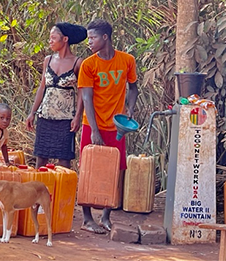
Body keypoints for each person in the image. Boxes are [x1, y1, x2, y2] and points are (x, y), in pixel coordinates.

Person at [77, 19, 139, 234]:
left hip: (116, 125)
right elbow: (86, 98)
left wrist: (130, 109)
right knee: (88, 168)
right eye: (88, 38)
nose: (89, 42)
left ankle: (105, 216)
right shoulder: (88, 64)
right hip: (92, 123)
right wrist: (94, 129)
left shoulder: (127, 60)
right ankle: (86, 218)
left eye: (92, 37)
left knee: (114, 171)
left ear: (105, 37)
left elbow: (133, 88)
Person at [25, 22, 87, 169]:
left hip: (66, 119)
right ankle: (39, 190)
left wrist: (77, 116)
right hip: (45, 116)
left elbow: (81, 92)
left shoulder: (78, 63)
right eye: (50, 38)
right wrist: (32, 112)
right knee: (41, 158)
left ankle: (62, 190)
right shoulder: (48, 60)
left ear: (64, 39)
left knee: (64, 160)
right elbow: (42, 87)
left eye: (53, 38)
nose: (50, 41)